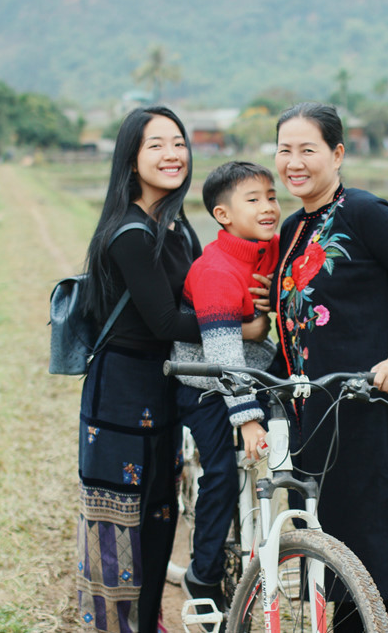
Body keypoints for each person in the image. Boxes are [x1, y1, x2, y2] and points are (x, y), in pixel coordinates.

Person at [75, 107, 268, 632]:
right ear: (132, 160)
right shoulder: (129, 233)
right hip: (121, 389)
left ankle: (149, 617)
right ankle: (116, 624)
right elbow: (164, 318)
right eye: (156, 145)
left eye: (178, 143)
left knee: (161, 510)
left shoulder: (177, 226)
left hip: (166, 383)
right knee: (121, 514)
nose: (172, 154)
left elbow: (203, 290)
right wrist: (242, 328)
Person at [271, 102, 388, 632]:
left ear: (337, 154)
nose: (294, 162)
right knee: (330, 536)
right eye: (284, 150)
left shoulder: (368, 214)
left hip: (372, 407)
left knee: (385, 538)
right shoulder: (293, 229)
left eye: (308, 150)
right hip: (315, 410)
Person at [170, 161, 280, 623]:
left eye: (271, 196)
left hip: (255, 369)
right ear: (223, 215)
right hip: (207, 380)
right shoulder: (215, 271)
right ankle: (204, 573)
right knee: (220, 473)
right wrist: (248, 418)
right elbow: (223, 356)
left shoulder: (271, 250)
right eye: (252, 200)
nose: (268, 206)